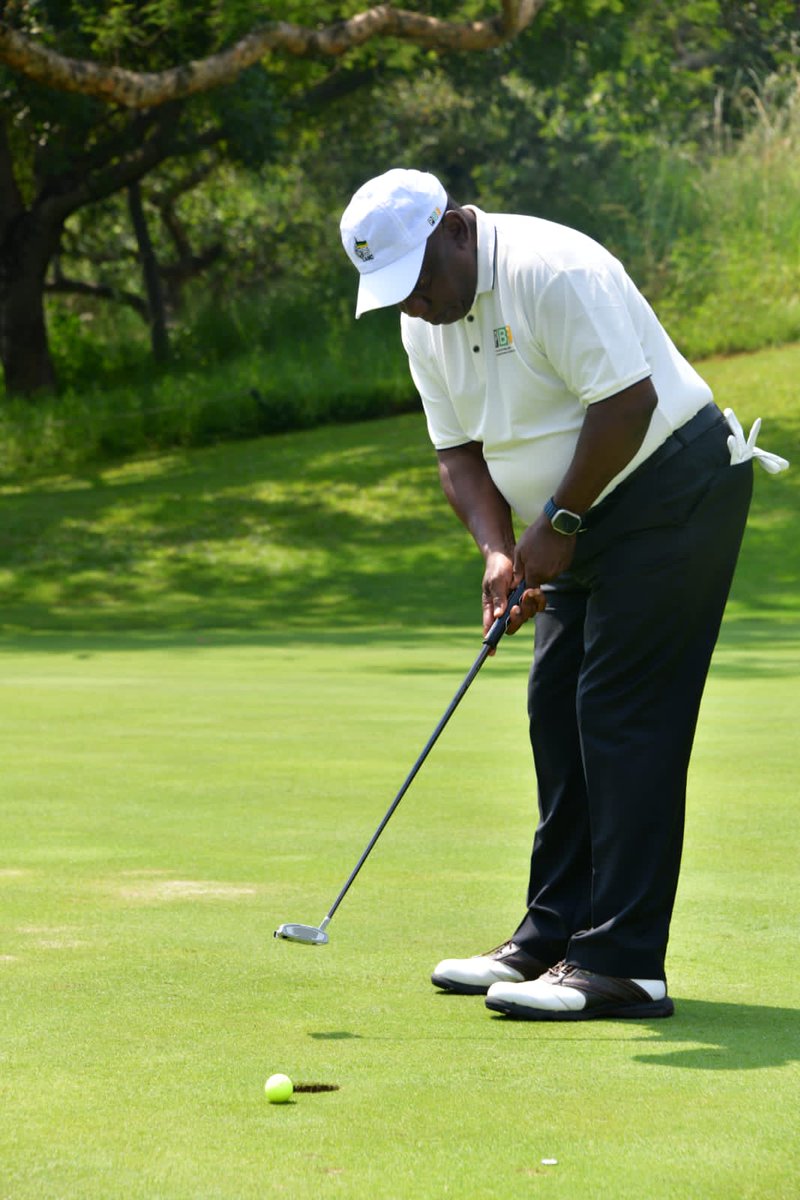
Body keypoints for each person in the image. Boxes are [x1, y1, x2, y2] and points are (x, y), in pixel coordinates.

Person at [339, 168, 788, 1021]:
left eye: (420, 281)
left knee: (621, 714)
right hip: (576, 515)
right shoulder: (424, 320)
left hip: (671, 491)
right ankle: (552, 936)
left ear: (458, 231)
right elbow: (456, 454)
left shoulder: (552, 268)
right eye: (394, 294)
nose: (414, 305)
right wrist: (499, 549)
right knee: (557, 707)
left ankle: (623, 963)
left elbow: (626, 405)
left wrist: (557, 522)